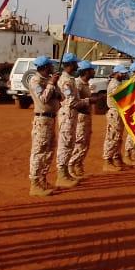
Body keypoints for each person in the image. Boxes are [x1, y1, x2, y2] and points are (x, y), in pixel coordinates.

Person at [27, 55, 61, 196]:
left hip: (51, 118)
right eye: (51, 65)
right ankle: (35, 184)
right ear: (45, 67)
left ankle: (42, 179)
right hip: (42, 120)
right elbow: (43, 99)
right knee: (39, 151)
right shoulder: (35, 81)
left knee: (49, 150)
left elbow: (61, 97)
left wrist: (55, 84)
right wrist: (51, 84)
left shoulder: (48, 80)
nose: (53, 67)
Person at [54, 53, 81, 189]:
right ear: (70, 64)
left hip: (71, 114)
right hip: (67, 114)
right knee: (65, 143)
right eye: (75, 63)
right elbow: (70, 101)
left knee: (70, 142)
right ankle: (61, 175)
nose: (77, 65)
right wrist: (87, 102)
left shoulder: (70, 79)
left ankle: (65, 173)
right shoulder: (65, 80)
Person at [68, 61, 97, 180]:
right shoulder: (78, 85)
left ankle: (78, 166)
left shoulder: (86, 84)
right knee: (79, 143)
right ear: (86, 72)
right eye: (92, 70)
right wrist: (89, 100)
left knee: (85, 144)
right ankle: (71, 167)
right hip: (81, 117)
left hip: (86, 116)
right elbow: (75, 103)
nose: (94, 71)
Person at [102, 65, 130, 172]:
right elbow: (121, 98)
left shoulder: (119, 83)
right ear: (116, 73)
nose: (124, 74)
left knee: (118, 137)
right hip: (114, 112)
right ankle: (107, 161)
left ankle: (117, 158)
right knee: (112, 137)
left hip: (119, 112)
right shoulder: (114, 84)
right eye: (122, 73)